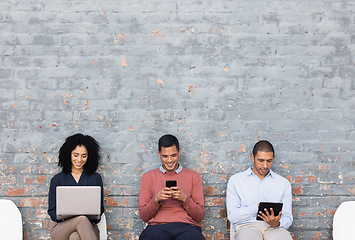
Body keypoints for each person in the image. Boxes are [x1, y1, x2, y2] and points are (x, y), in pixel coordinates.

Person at [138, 134, 205, 240]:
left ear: (179, 152)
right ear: (159, 153)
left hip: (186, 227)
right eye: (165, 156)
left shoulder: (193, 176)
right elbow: (144, 216)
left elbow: (199, 216)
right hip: (156, 227)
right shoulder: (148, 177)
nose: (169, 160)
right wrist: (156, 199)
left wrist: (185, 199)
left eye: (173, 155)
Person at [226, 140, 293, 240]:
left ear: (273, 158)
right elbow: (232, 216)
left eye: (269, 161)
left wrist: (277, 223)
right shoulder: (236, 181)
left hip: (275, 229)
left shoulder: (283, 183)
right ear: (252, 157)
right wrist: (257, 208)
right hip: (247, 227)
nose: (265, 165)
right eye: (261, 160)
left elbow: (288, 217)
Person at [48, 133, 104, 240]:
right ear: (69, 154)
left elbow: (99, 210)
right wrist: (71, 217)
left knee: (75, 237)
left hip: (88, 228)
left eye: (84, 156)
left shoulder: (95, 178)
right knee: (81, 219)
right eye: (75, 155)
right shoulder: (57, 179)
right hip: (63, 228)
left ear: (89, 156)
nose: (79, 160)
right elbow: (52, 211)